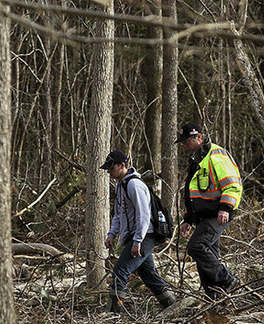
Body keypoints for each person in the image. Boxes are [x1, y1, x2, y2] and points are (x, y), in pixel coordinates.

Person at [101, 150, 176, 312]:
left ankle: (113, 313)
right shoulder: (121, 186)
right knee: (149, 275)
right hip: (137, 237)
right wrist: (111, 234)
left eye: (111, 168)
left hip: (145, 236)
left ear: (122, 165)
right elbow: (119, 214)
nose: (108, 171)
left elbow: (144, 215)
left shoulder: (134, 185)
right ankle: (173, 306)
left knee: (120, 270)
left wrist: (137, 241)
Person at [175, 123, 243, 299]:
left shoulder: (216, 155)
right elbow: (191, 192)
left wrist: (225, 208)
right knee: (207, 254)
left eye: (187, 141)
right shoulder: (196, 158)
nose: (184, 146)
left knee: (197, 247)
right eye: (182, 142)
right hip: (203, 216)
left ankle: (227, 280)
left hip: (217, 214)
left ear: (199, 137)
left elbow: (232, 185)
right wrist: (188, 219)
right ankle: (214, 295)